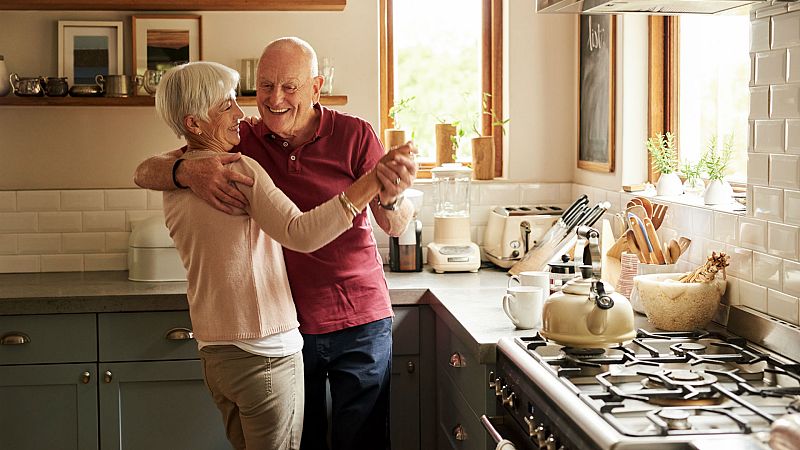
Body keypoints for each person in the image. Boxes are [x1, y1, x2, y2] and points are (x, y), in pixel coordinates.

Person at [134, 38, 417, 450]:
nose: (275, 98)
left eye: (290, 86)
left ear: (316, 88)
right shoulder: (240, 141)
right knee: (304, 443)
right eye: (265, 86)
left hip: (358, 317)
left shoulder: (356, 135)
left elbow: (393, 223)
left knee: (363, 441)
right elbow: (145, 170)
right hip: (287, 327)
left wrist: (389, 193)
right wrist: (186, 172)